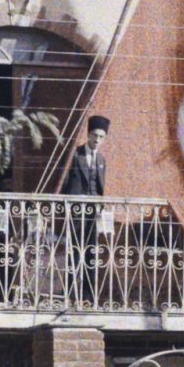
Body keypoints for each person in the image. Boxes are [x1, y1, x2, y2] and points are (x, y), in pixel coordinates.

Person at [61, 115, 112, 303]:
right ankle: (71, 295)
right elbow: (65, 184)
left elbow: (100, 188)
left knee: (91, 253)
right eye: (94, 136)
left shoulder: (101, 160)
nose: (97, 140)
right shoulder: (75, 155)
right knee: (74, 252)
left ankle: (89, 296)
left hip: (93, 215)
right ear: (88, 135)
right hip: (76, 213)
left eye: (101, 137)